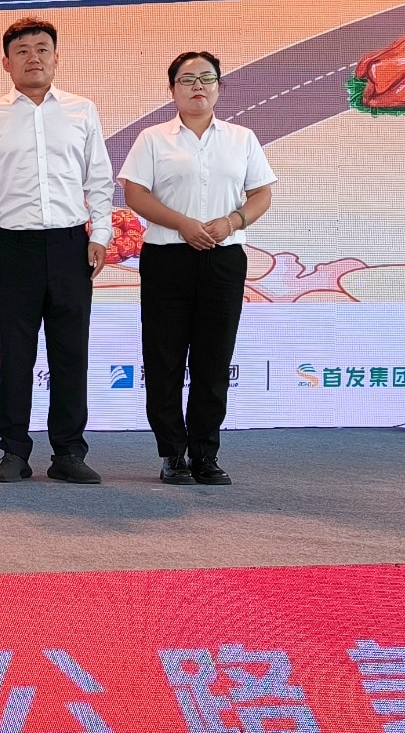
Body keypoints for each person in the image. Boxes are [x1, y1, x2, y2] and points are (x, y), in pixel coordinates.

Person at [0, 17, 114, 484]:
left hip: (71, 245)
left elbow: (99, 179)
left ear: (56, 57)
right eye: (23, 51)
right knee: (15, 354)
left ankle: (69, 451)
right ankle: (13, 451)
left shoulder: (82, 110)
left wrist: (100, 234)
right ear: (6, 62)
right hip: (14, 248)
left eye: (42, 49)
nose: (34, 58)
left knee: (71, 352)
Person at [119, 52, 275, 485]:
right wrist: (183, 224)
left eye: (207, 78)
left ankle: (205, 454)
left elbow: (262, 194)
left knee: (213, 359)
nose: (198, 86)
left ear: (220, 86)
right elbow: (135, 194)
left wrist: (233, 221)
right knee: (164, 358)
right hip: (168, 256)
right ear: (172, 89)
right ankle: (172, 454)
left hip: (224, 259)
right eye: (187, 79)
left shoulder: (242, 138)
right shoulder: (153, 138)